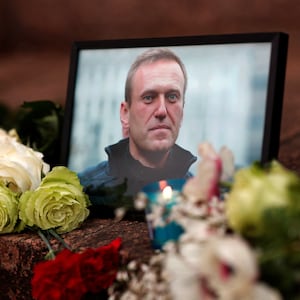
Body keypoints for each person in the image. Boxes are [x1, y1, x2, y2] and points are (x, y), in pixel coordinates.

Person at [78, 48, 197, 207]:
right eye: (149, 97)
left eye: (172, 97)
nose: (162, 110)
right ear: (125, 113)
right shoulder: (84, 190)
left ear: (182, 113)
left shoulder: (199, 197)